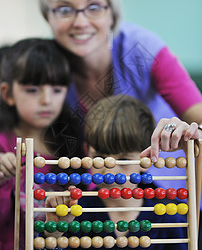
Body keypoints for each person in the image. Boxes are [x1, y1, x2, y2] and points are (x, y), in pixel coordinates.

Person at [37, 0, 202, 164]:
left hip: (167, 181)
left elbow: (200, 119)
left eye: (94, 7)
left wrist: (188, 129)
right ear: (47, 17)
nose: (80, 22)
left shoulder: (143, 48)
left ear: (112, 15)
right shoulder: (44, 65)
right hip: (98, 186)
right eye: (64, 10)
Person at [45, 95, 200, 250]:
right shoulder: (74, 215)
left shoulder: (171, 217)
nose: (110, 171)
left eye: (124, 160)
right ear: (87, 152)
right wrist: (54, 235)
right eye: (100, 157)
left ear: (147, 158)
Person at [0, 38, 80, 249]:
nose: (46, 100)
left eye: (57, 89)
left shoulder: (73, 146)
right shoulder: (1, 147)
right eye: (33, 90)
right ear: (7, 94)